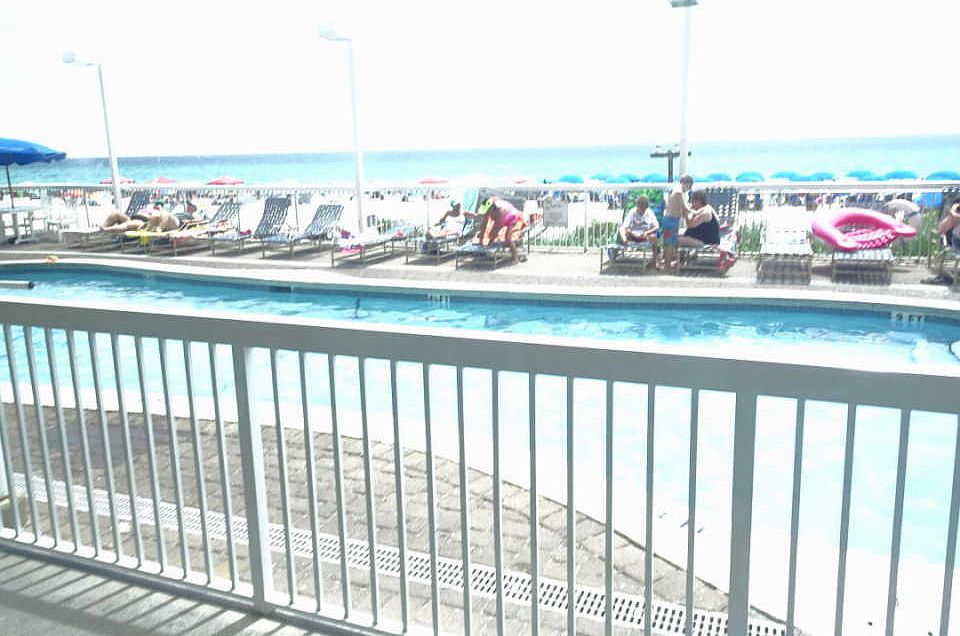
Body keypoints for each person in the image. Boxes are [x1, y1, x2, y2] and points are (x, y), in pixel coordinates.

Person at [479, 196, 527, 264]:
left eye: (488, 213)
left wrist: (490, 242)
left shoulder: (500, 212)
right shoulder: (490, 204)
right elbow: (484, 224)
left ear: (492, 209)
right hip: (506, 215)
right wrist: (481, 239)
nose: (488, 215)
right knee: (489, 234)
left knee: (508, 238)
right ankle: (510, 246)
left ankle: (515, 258)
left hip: (513, 217)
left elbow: (496, 229)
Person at [661, 174, 694, 268]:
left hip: (670, 220)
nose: (689, 188)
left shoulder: (676, 191)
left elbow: (681, 209)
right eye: (689, 185)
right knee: (670, 244)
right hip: (671, 221)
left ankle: (667, 264)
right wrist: (696, 211)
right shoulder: (679, 193)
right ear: (686, 183)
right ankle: (667, 266)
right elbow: (684, 208)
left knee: (669, 243)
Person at [618, 194, 659, 264]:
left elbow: (656, 226)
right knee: (621, 229)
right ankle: (625, 242)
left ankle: (655, 260)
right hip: (632, 235)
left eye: (644, 209)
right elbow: (625, 226)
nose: (642, 211)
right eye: (641, 208)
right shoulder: (632, 212)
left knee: (654, 237)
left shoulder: (649, 212)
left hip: (644, 235)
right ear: (637, 206)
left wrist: (647, 233)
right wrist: (632, 233)